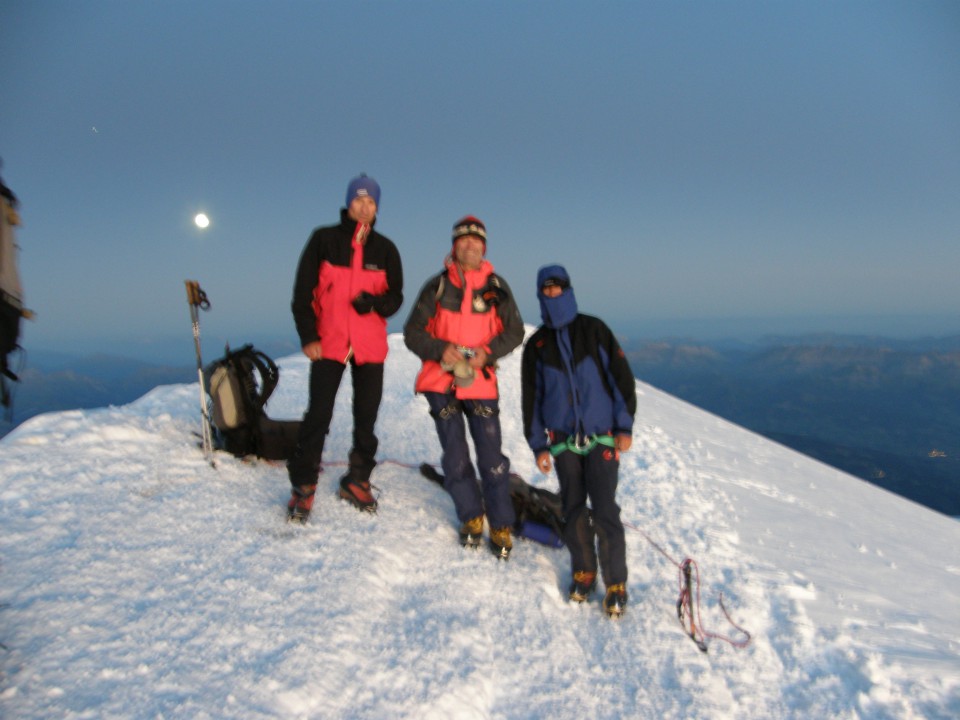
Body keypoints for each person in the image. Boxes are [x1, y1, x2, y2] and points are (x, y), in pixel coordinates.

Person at [404, 216, 524, 558]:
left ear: (483, 247)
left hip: (479, 379)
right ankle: (472, 516)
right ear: (454, 245)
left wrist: (487, 354)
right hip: (442, 380)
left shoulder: (496, 286)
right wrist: (440, 349)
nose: (470, 245)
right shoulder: (438, 286)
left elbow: (514, 331)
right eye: (463, 240)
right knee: (455, 456)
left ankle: (501, 523)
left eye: (476, 241)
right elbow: (413, 332)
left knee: (491, 458)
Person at [286, 174, 403, 522]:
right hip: (330, 342)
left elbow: (395, 296)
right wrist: (309, 337)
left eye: (371, 203)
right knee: (318, 414)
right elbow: (302, 293)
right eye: (359, 201)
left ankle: (357, 479)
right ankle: (303, 485)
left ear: (377, 207)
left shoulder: (385, 249)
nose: (364, 208)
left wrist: (376, 304)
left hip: (369, 345)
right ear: (348, 202)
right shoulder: (324, 240)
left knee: (366, 416)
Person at [521, 264, 636, 616]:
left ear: (569, 289)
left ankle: (615, 581)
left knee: (604, 509)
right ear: (540, 294)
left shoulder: (594, 330)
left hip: (602, 438)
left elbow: (621, 379)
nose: (552, 293)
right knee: (572, 509)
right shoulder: (537, 345)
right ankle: (584, 572)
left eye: (558, 287)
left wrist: (624, 426)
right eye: (547, 289)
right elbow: (532, 399)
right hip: (562, 442)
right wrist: (539, 445)